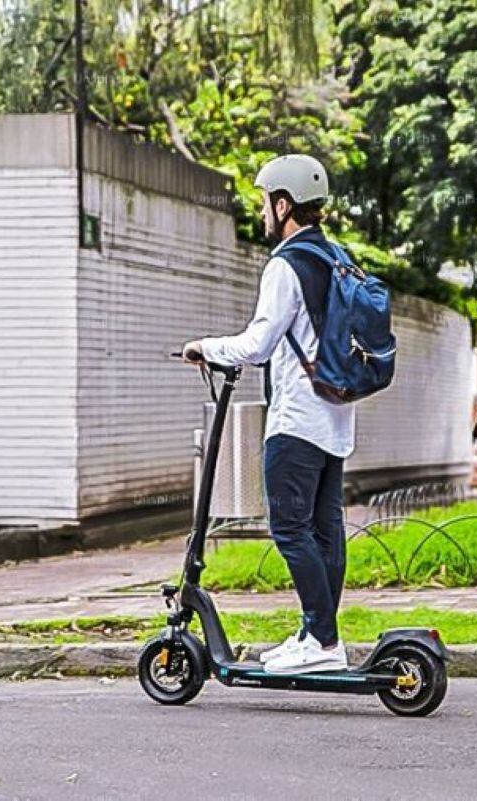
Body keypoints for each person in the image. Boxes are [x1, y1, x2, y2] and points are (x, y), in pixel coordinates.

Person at [181, 154, 351, 675]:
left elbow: (258, 344)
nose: (261, 212)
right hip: (336, 419)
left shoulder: (286, 265)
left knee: (290, 529)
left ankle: (322, 641)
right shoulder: (337, 258)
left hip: (297, 420)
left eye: (265, 202)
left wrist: (205, 347)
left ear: (284, 205)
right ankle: (316, 636)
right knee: (325, 530)